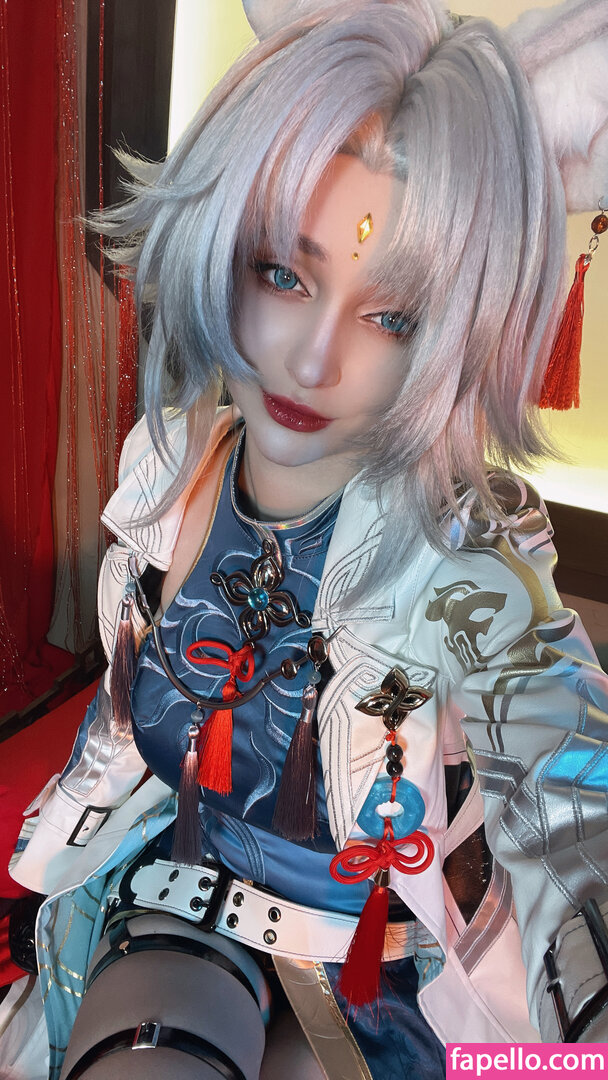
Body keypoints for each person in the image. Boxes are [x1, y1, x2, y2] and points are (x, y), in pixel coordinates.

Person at [5, 1, 608, 1077]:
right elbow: (129, 695)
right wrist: (64, 836)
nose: (312, 359)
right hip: (183, 904)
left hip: (390, 967)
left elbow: (566, 781)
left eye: (393, 316)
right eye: (283, 272)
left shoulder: (470, 567)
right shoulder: (171, 469)